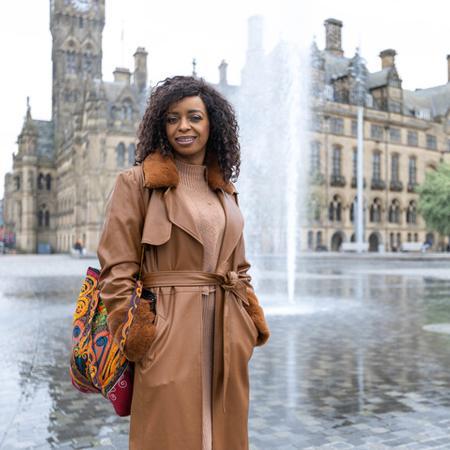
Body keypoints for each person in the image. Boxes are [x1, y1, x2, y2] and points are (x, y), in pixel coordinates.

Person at [97, 75, 270, 450]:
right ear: (161, 125)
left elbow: (239, 267)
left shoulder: (224, 189)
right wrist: (137, 334)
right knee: (169, 435)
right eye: (173, 118)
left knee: (222, 435)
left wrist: (248, 325)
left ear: (212, 124)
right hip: (168, 331)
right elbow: (117, 270)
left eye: (194, 117)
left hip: (226, 333)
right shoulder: (136, 183)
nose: (183, 127)